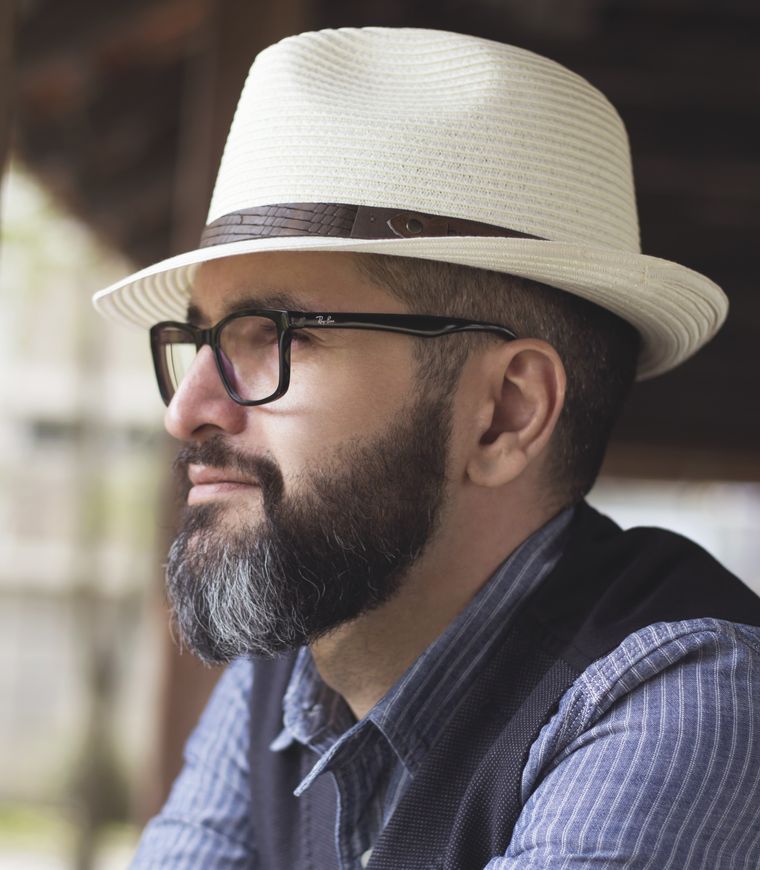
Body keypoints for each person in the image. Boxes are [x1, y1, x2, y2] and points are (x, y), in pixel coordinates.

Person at [93, 27, 760, 869]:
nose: (187, 410)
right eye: (202, 341)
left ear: (505, 413)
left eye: (278, 336)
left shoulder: (684, 696)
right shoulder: (294, 653)